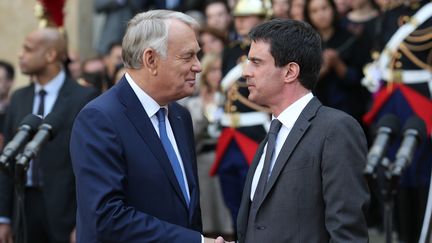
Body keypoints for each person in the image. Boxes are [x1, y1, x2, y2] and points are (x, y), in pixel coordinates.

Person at [70, 10, 225, 243]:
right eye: (187, 56)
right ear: (151, 60)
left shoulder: (180, 116)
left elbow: (187, 208)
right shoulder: (100, 119)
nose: (198, 66)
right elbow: (106, 218)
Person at [234, 19, 370, 242]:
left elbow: (347, 233)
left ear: (290, 72)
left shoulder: (335, 129)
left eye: (256, 62)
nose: (246, 72)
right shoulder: (270, 137)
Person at [0, 27, 98, 243]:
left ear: (50, 55)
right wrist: (4, 217)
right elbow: (7, 160)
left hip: (65, 212)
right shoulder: (18, 98)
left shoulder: (84, 97)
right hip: (23, 208)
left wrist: (83, 220)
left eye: (28, 49)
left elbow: (91, 166)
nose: (20, 55)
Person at [210, 0, 271, 230]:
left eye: (247, 16)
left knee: (257, 200)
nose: (240, 21)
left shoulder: (271, 49)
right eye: (237, 17)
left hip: (256, 132)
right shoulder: (232, 50)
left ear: (263, 18)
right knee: (232, 200)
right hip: (229, 134)